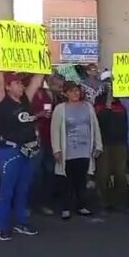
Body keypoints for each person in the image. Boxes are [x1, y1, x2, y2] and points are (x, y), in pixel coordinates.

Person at [0, 71, 44, 241]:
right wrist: (1, 54)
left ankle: (21, 222)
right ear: (7, 87)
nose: (21, 86)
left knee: (23, 189)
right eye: (17, 83)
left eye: (22, 84)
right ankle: (2, 226)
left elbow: (36, 81)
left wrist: (44, 58)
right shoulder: (1, 100)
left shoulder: (25, 100)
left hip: (27, 150)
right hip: (9, 152)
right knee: (7, 191)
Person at [51, 81, 102, 220]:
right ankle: (66, 207)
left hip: (84, 149)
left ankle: (82, 206)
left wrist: (98, 145)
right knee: (67, 180)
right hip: (68, 150)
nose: (75, 93)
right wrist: (56, 149)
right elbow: (55, 130)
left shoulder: (88, 107)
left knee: (81, 180)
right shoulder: (60, 109)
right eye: (72, 91)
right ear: (66, 93)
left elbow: (95, 126)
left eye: (77, 91)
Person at [29, 75, 65, 216]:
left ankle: (45, 202)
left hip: (49, 136)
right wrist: (38, 115)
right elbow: (22, 116)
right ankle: (32, 203)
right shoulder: (28, 94)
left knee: (49, 171)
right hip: (34, 138)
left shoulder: (49, 94)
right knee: (35, 173)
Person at [95, 91, 129, 213]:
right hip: (104, 143)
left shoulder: (125, 101)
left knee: (120, 174)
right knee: (103, 174)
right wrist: (108, 105)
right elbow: (100, 121)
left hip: (120, 142)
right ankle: (103, 201)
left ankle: (119, 202)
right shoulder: (100, 100)